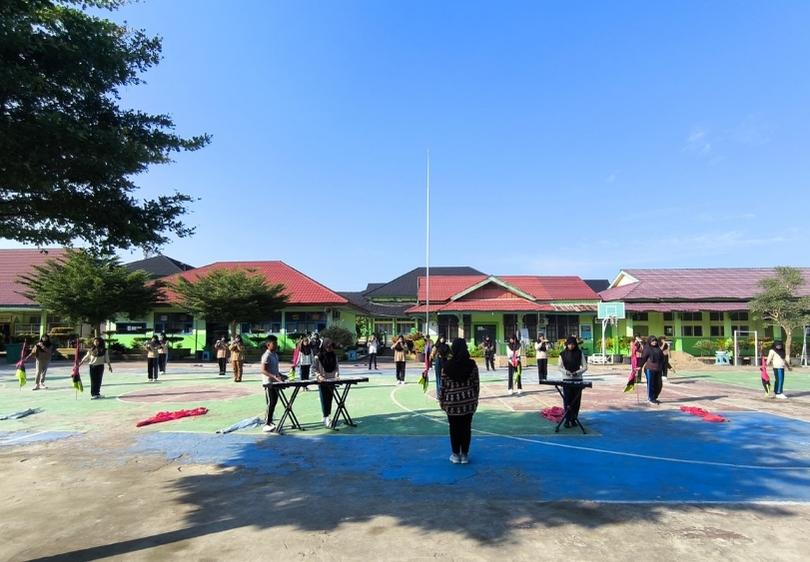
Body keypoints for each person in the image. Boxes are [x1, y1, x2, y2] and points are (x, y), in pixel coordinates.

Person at [440, 337, 480, 464]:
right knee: (466, 428)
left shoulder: (446, 366)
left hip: (452, 402)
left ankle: (455, 455)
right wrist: (475, 398)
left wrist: (442, 401)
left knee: (454, 428)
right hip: (468, 402)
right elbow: (476, 384)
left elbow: (443, 386)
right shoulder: (472, 364)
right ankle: (465, 455)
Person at [557, 335, 587, 427]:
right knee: (567, 400)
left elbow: (585, 367)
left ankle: (574, 418)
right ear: (567, 344)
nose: (571, 346)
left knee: (576, 401)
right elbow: (559, 367)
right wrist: (567, 372)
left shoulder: (580, 353)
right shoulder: (562, 354)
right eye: (569, 344)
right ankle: (566, 419)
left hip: (577, 380)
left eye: (573, 344)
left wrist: (577, 373)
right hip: (566, 380)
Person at [313, 337, 340, 428]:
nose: (330, 349)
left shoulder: (334, 356)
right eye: (328, 347)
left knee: (330, 398)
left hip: (331, 380)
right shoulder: (318, 357)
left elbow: (336, 367)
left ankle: (327, 414)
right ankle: (326, 416)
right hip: (322, 381)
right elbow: (313, 369)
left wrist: (336, 373)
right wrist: (319, 376)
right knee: (324, 399)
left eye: (331, 347)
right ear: (324, 346)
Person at [261, 335, 283, 432]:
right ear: (268, 345)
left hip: (275, 383)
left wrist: (280, 375)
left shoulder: (275, 355)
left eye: (276, 343)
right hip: (269, 383)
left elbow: (275, 370)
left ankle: (270, 421)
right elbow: (264, 370)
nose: (276, 345)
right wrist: (274, 376)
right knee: (270, 403)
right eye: (274, 343)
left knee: (274, 402)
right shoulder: (266, 356)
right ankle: (267, 423)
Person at [639, 335, 665, 404]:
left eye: (655, 341)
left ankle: (655, 397)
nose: (654, 342)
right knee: (651, 384)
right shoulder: (647, 349)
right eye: (653, 341)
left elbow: (663, 360)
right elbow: (644, 358)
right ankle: (651, 398)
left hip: (658, 369)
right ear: (650, 341)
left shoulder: (658, 349)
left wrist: (670, 367)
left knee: (659, 385)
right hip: (650, 369)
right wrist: (640, 366)